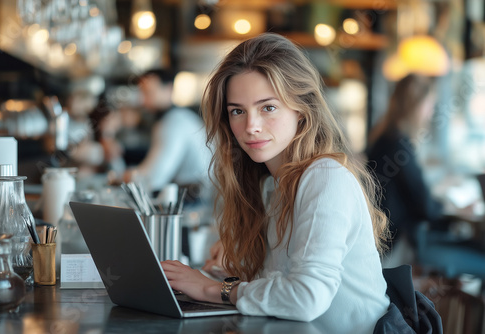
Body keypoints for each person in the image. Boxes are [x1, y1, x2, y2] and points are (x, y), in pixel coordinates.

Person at [161, 33, 391, 330]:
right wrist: (235, 272)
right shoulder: (271, 185)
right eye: (237, 111)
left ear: (301, 109)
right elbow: (283, 285)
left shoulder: (324, 178)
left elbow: (306, 298)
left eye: (268, 107)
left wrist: (210, 288)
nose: (251, 126)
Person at [366, 74, 444, 253]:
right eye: (429, 104)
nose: (431, 111)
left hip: (379, 232)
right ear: (416, 106)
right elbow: (426, 206)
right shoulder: (399, 146)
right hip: (393, 240)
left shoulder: (383, 136)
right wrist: (447, 205)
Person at [122, 69, 211, 194]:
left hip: (194, 203)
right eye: (141, 93)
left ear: (168, 90)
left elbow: (153, 178)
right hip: (196, 197)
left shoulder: (174, 123)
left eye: (148, 93)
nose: (142, 100)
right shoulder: (180, 117)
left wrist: (121, 176)